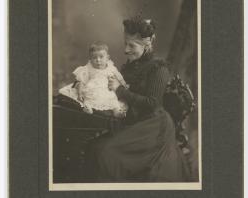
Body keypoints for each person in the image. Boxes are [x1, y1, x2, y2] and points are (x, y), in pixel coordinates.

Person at [85, 17, 190, 182]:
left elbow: (152, 103)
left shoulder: (159, 69)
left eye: (131, 45)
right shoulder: (131, 65)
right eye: (125, 43)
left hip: (153, 126)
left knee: (109, 154)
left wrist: (120, 91)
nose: (126, 50)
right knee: (93, 147)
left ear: (147, 44)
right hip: (133, 120)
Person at [59, 41, 128, 117]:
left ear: (107, 58)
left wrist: (124, 84)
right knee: (87, 99)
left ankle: (117, 112)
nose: (98, 60)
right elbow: (82, 81)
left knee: (113, 101)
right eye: (94, 58)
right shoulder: (88, 68)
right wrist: (80, 93)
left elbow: (119, 77)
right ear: (90, 59)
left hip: (106, 90)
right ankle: (88, 108)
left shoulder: (111, 67)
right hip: (92, 89)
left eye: (101, 57)